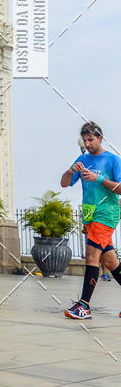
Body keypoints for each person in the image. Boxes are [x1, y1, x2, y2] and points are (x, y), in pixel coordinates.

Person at [61, 121, 121, 319]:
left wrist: (100, 180)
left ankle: (84, 305)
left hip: (106, 214)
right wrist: (71, 171)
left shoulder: (112, 160)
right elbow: (64, 183)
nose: (87, 143)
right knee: (110, 262)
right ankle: (83, 305)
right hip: (90, 215)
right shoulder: (82, 159)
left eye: (91, 139)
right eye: (85, 140)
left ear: (100, 138)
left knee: (91, 257)